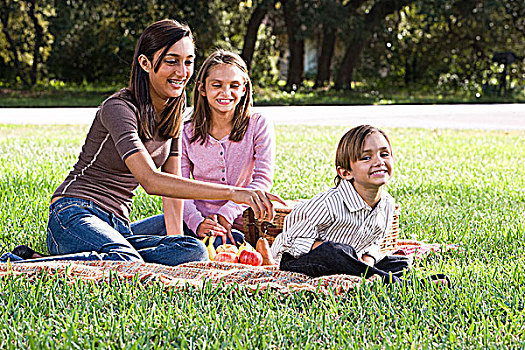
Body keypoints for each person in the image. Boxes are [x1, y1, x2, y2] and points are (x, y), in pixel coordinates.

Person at [2, 19, 282, 266]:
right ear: (145, 63)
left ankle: (112, 253)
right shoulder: (118, 108)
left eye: (188, 61)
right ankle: (24, 264)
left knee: (192, 248)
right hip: (75, 213)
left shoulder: (174, 106)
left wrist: (176, 242)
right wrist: (234, 192)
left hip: (120, 224)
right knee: (125, 261)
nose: (182, 71)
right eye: (171, 61)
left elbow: (173, 190)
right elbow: (150, 180)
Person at [271, 125, 410, 283]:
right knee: (336, 251)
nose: (379, 161)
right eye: (366, 157)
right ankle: (395, 282)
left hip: (351, 262)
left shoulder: (387, 204)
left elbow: (374, 243)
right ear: (345, 173)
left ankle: (369, 276)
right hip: (303, 261)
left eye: (384, 154)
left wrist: (366, 262)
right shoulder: (328, 204)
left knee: (401, 263)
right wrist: (328, 249)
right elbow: (287, 242)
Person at [182, 49, 275, 248]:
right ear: (202, 88)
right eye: (217, 85)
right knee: (128, 232)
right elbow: (177, 187)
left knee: (208, 247)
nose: (226, 93)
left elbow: (262, 180)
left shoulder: (258, 124)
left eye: (234, 85)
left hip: (238, 225)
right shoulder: (186, 132)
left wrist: (227, 214)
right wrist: (196, 223)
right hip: (193, 221)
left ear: (244, 89)